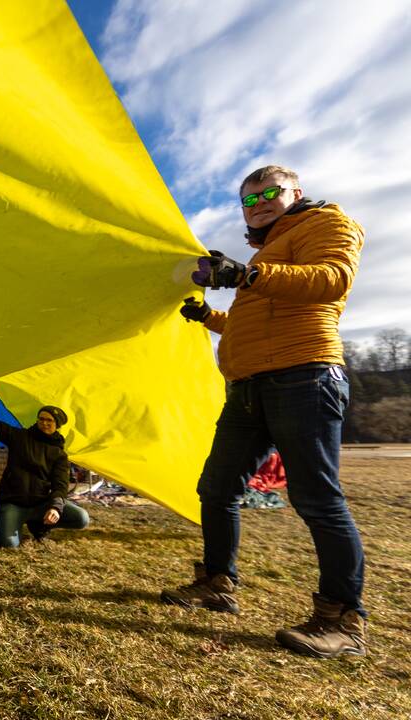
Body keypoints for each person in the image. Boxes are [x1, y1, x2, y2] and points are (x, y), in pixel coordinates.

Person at [162, 165, 367, 658]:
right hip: (250, 384)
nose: (260, 204)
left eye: (271, 193)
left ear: (296, 192)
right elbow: (257, 320)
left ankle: (343, 620)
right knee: (216, 488)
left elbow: (332, 280)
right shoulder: (269, 252)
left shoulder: (327, 223)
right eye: (250, 200)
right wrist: (208, 316)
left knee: (317, 498)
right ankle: (217, 583)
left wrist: (248, 273)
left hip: (305, 374)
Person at [0, 380, 89, 548]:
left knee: (81, 518)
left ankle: (39, 524)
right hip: (14, 503)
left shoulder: (59, 454)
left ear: (57, 425)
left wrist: (55, 507)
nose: (44, 423)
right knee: (8, 545)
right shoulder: (20, 437)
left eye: (50, 421)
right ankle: (6, 523)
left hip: (41, 504)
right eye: (41, 419)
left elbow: (60, 485)